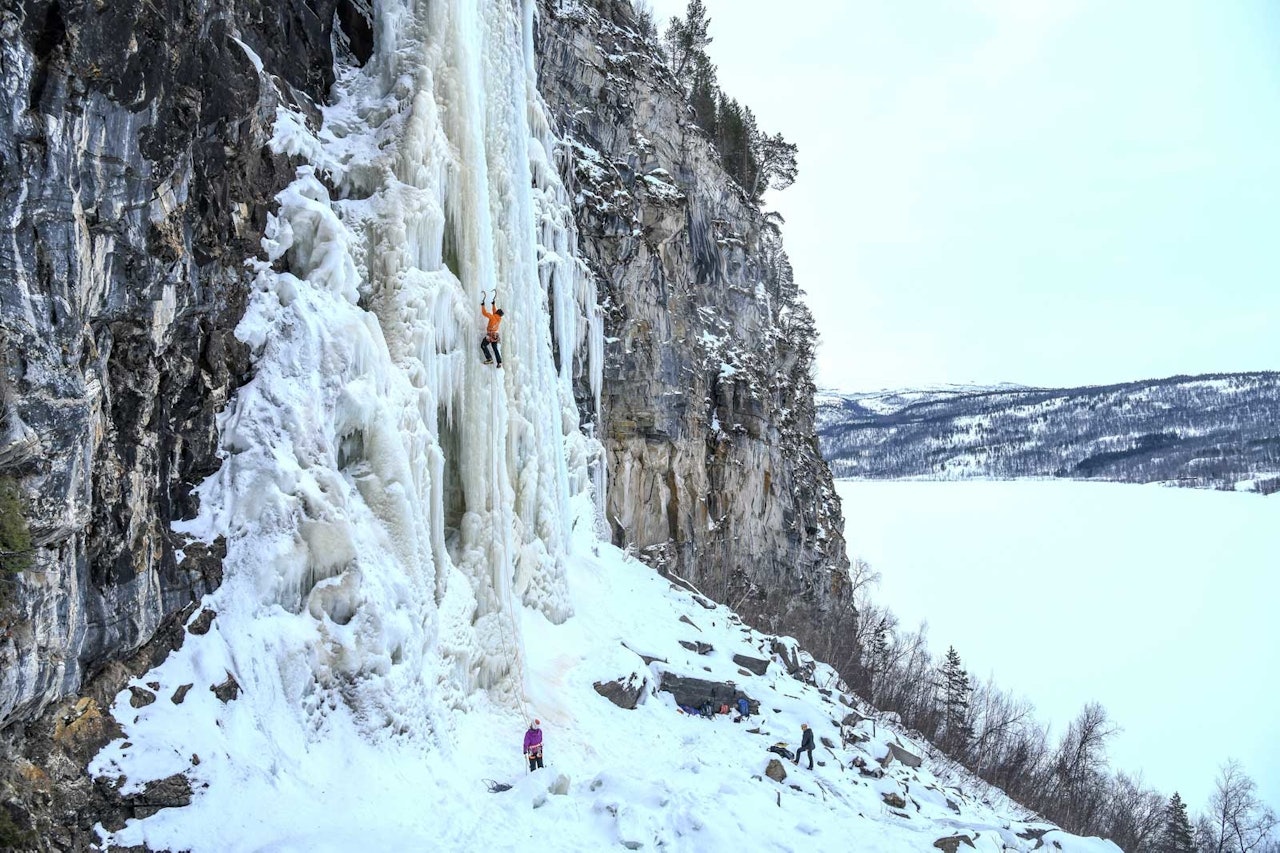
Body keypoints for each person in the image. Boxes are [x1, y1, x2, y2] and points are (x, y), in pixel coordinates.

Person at [480, 297, 504, 367]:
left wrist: (483, 305)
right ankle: (499, 362)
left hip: (490, 334)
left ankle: (489, 358)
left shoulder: (492, 317)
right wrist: (493, 304)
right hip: (496, 335)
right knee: (495, 348)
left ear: (497, 313)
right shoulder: (499, 319)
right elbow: (495, 312)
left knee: (483, 345)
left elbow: (484, 313)